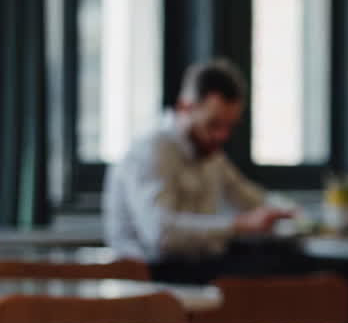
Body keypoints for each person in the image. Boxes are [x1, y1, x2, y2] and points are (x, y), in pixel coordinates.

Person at [104, 58, 295, 282]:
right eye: (213, 124)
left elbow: (249, 196)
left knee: (287, 263)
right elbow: (161, 233)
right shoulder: (153, 150)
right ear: (185, 107)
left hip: (200, 268)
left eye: (229, 127)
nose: (222, 136)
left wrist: (297, 215)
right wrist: (238, 225)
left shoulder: (209, 153)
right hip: (152, 274)